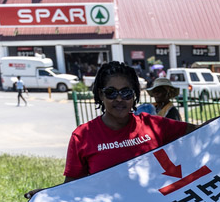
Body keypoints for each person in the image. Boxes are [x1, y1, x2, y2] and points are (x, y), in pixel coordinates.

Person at [61, 61, 193, 182]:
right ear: (101, 94)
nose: (119, 99)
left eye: (126, 93)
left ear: (134, 94)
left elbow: (202, 132)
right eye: (111, 92)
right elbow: (71, 187)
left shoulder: (154, 125)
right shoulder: (82, 136)